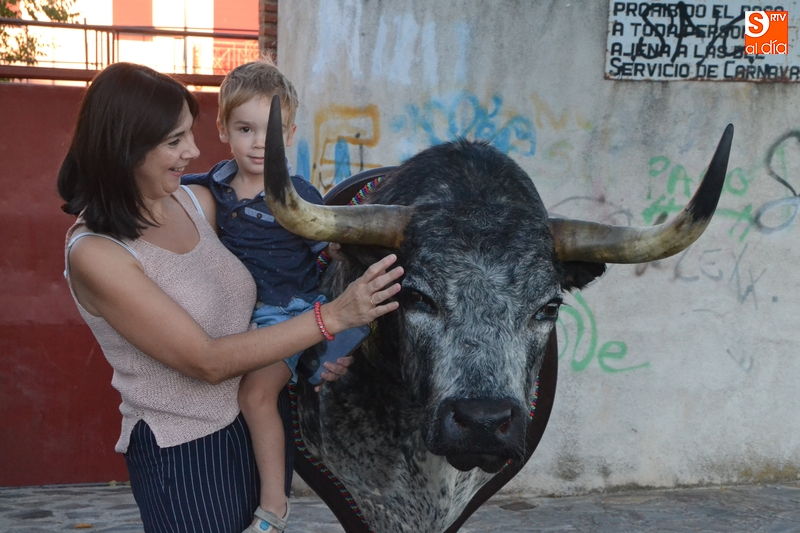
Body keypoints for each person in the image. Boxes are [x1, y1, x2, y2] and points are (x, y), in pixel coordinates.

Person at [58, 62, 403, 533]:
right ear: (126, 146)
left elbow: (287, 262)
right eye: (175, 141)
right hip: (186, 451)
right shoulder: (97, 253)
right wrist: (333, 319)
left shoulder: (195, 202)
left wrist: (320, 353)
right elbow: (206, 361)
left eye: (190, 133)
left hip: (256, 424)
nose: (194, 150)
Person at [180, 59, 365, 533]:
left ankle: (274, 506)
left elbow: (334, 251)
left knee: (256, 396)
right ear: (223, 128)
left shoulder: (298, 196)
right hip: (236, 319)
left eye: (273, 132)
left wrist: (343, 246)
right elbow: (159, 193)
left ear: (292, 133)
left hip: (288, 315)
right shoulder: (213, 184)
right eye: (246, 129)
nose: (260, 143)